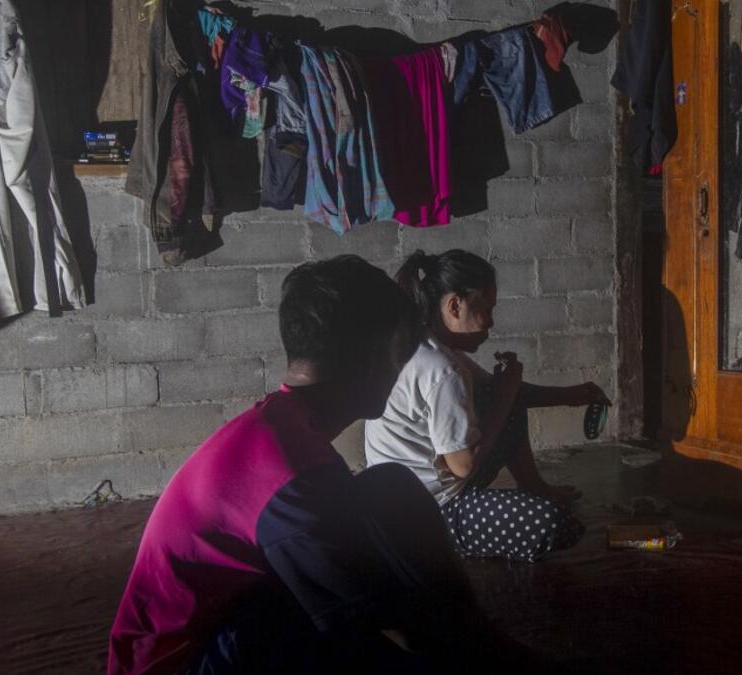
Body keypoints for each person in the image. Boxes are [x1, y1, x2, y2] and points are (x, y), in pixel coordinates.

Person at [108, 256, 528, 674]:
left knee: (388, 487)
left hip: (226, 627)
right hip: (188, 663)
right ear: (370, 355)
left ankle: (474, 643)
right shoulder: (288, 474)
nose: (403, 365)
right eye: (400, 349)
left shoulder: (281, 425)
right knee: (331, 632)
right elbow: (355, 645)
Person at [365, 249, 610, 562]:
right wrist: (506, 395)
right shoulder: (441, 369)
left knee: (504, 397)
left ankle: (533, 486)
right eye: (488, 308)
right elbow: (463, 466)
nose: (492, 322)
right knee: (555, 524)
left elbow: (505, 391)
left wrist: (571, 395)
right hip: (428, 515)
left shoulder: (424, 345)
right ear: (455, 305)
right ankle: (453, 542)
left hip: (399, 502)